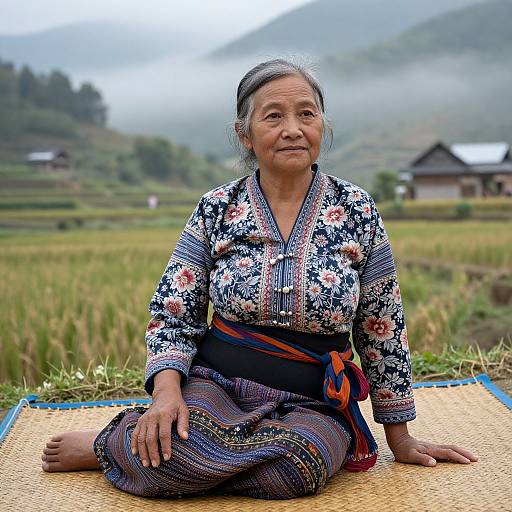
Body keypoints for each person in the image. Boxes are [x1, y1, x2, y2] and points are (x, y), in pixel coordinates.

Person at [41, 59, 478, 499]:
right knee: (171, 452)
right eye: (274, 116)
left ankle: (136, 450)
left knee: (297, 469)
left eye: (306, 113)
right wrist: (166, 393)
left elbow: (381, 327)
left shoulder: (357, 209)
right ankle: (111, 444)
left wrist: (399, 439)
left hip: (312, 402)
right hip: (217, 386)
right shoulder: (216, 208)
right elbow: (175, 314)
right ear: (245, 135)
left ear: (322, 125)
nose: (293, 128)